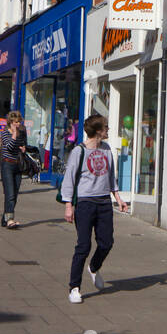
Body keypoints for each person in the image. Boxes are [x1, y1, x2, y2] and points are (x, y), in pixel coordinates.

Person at [62, 115, 128, 303]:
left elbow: (111, 176)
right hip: (85, 203)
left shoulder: (106, 149)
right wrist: (69, 206)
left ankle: (94, 267)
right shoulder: (79, 151)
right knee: (83, 245)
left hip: (104, 202)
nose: (108, 130)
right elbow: (70, 179)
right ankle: (74, 287)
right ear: (98, 131)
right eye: (106, 127)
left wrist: (118, 198)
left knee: (106, 242)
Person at [0, 113, 33, 226]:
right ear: (10, 123)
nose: (18, 124)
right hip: (7, 165)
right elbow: (9, 147)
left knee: (15, 193)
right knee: (10, 193)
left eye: (19, 122)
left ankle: (5, 218)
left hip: (18, 165)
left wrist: (24, 149)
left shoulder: (22, 132)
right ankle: (10, 220)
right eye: (16, 122)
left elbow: (24, 145)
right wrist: (13, 134)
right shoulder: (5, 133)